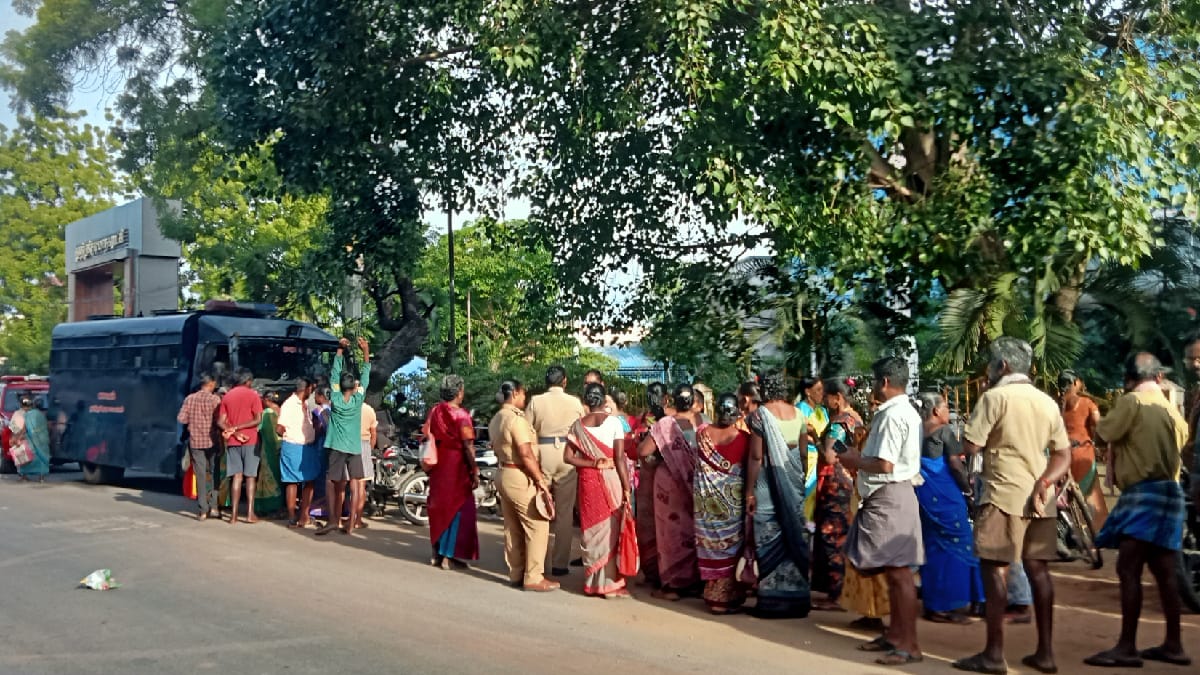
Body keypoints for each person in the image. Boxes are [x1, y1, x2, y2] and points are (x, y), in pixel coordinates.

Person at [954, 337, 1070, 675]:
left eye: (991, 364)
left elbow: (971, 445)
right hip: (1039, 497)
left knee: (995, 569)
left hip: (1002, 494)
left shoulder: (994, 398)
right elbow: (1062, 454)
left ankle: (993, 654)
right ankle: (1045, 653)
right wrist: (1045, 482)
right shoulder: (1047, 402)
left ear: (1002, 366)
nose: (988, 370)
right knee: (1039, 571)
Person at [1084, 353, 1191, 669]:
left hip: (1143, 491)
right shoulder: (1171, 409)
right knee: (1165, 571)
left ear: (1129, 378)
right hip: (1170, 492)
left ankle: (1126, 647)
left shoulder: (1132, 402)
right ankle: (1174, 644)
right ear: (1158, 377)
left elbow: (1104, 433)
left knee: (1128, 567)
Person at [841, 357, 924, 666]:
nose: (873, 387)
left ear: (885, 382)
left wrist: (855, 460)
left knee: (900, 574)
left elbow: (885, 464)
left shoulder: (892, 415)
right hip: (892, 495)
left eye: (875, 381)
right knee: (894, 572)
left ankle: (909, 644)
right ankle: (896, 635)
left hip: (890, 494)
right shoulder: (904, 412)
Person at [740, 374, 811, 618]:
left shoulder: (759, 416)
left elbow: (756, 456)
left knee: (768, 532)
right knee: (793, 532)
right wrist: (799, 481)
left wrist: (748, 491)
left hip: (766, 482)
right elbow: (803, 453)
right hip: (793, 480)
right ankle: (797, 597)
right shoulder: (799, 414)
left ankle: (771, 600)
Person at [914, 392, 983, 624]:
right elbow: (955, 465)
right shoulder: (944, 432)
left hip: (924, 495)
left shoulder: (914, 432)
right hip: (945, 495)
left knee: (933, 546)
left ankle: (934, 603)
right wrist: (968, 491)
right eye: (945, 408)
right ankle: (950, 605)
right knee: (961, 543)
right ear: (935, 411)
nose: (947, 412)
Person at [489, 380, 558, 592]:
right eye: (523, 394)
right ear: (516, 393)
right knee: (538, 524)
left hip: (503, 472)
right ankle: (534, 576)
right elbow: (526, 454)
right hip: (519, 474)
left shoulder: (496, 418)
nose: (525, 398)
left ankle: (516, 572)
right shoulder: (515, 420)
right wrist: (540, 482)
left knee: (513, 527)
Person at [566, 382, 633, 598]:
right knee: (610, 529)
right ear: (604, 400)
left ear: (586, 401)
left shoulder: (577, 426)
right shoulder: (614, 422)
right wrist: (626, 487)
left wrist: (591, 464)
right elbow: (620, 459)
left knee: (592, 529)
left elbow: (567, 457)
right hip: (612, 478)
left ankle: (593, 583)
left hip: (588, 481)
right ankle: (609, 584)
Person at [638, 383, 701, 599]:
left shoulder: (666, 424)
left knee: (671, 532)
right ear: (694, 402)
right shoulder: (702, 422)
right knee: (692, 530)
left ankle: (673, 585)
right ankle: (694, 580)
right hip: (697, 485)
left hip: (670, 485)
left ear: (672, 400)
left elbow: (644, 450)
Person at [694, 392, 751, 613]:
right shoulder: (744, 438)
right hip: (731, 505)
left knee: (710, 546)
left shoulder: (701, 434)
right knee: (730, 548)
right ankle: (724, 598)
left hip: (705, 505)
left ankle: (712, 593)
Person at [526, 365, 584, 576]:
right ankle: (560, 563)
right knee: (565, 512)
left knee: (539, 506)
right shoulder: (575, 402)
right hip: (568, 454)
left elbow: (527, 430)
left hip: (543, 452)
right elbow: (581, 428)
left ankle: (536, 561)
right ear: (564, 381)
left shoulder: (536, 401)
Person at [812, 378, 863, 611]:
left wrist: (814, 439)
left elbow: (831, 456)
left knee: (832, 535)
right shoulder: (856, 418)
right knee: (843, 533)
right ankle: (840, 590)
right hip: (850, 482)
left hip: (836, 483)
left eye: (827, 397)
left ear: (837, 398)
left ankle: (836, 593)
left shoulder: (838, 423)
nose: (824, 401)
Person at [315, 337, 371, 536]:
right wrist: (365, 351)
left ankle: (333, 521)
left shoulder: (336, 399)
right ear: (353, 387)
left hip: (337, 446)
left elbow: (334, 374)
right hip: (354, 447)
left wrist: (340, 350)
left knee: (332, 483)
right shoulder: (358, 398)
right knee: (356, 484)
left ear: (339, 385)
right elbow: (365, 376)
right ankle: (352, 522)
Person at [424, 374, 480, 568]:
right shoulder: (462, 416)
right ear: (459, 392)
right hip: (457, 466)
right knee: (458, 509)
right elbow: (468, 445)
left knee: (438, 507)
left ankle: (436, 553)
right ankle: (449, 555)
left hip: (439, 463)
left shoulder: (435, 411)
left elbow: (426, 433)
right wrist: (474, 469)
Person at [1059, 369, 1108, 530]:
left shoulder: (1057, 403)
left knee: (1067, 495)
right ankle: (1098, 532)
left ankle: (1073, 531)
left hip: (1062, 456)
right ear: (1075, 383)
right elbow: (1098, 425)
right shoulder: (1087, 403)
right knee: (1092, 494)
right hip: (1083, 454)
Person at [634, 381, 669, 589]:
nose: (653, 399)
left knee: (667, 526)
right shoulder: (643, 418)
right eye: (650, 395)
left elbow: (643, 450)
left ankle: (666, 573)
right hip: (647, 478)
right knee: (647, 525)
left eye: (656, 395)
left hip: (664, 477)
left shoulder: (669, 419)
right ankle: (651, 572)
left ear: (666, 398)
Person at [218, 368, 264, 524]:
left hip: (232, 441)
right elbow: (258, 419)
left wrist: (233, 430)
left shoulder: (227, 396)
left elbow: (220, 421)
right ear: (248, 381)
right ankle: (250, 513)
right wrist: (240, 428)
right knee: (250, 476)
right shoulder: (253, 395)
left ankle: (233, 515)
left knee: (236, 477)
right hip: (250, 440)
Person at [177, 374, 222, 519]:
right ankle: (214, 507)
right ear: (211, 383)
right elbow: (219, 420)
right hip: (212, 440)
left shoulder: (190, 399)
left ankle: (203, 510)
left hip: (196, 442)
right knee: (214, 472)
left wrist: (192, 421)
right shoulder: (215, 399)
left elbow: (181, 418)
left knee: (201, 475)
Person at [277, 378, 318, 528]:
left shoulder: (305, 405)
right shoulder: (288, 404)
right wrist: (292, 436)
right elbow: (279, 428)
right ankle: (292, 516)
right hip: (293, 446)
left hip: (307, 447)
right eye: (311, 390)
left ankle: (304, 514)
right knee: (292, 481)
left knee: (310, 480)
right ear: (305, 389)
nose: (312, 392)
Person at [796, 375, 828, 522]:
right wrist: (816, 440)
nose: (822, 393)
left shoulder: (822, 411)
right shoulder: (800, 410)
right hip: (808, 458)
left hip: (823, 458)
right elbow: (800, 433)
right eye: (818, 390)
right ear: (808, 392)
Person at [253, 390, 284, 517]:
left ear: (267, 400)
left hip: (268, 449)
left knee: (267, 477)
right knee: (278, 477)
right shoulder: (281, 411)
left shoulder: (266, 414)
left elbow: (258, 429)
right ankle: (279, 505)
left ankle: (267, 505)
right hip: (282, 447)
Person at [11, 395, 50, 482]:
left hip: (31, 440)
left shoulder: (26, 415)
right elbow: (46, 426)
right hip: (43, 440)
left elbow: (23, 429)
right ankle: (41, 477)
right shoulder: (42, 415)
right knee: (42, 458)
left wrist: (18, 437)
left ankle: (24, 476)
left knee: (27, 457)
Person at [354, 397, 378, 530]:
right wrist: (370, 449)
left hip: (349, 445)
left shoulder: (348, 408)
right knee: (361, 485)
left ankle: (350, 518)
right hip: (364, 445)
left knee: (351, 484)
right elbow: (373, 434)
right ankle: (358, 519)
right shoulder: (369, 410)